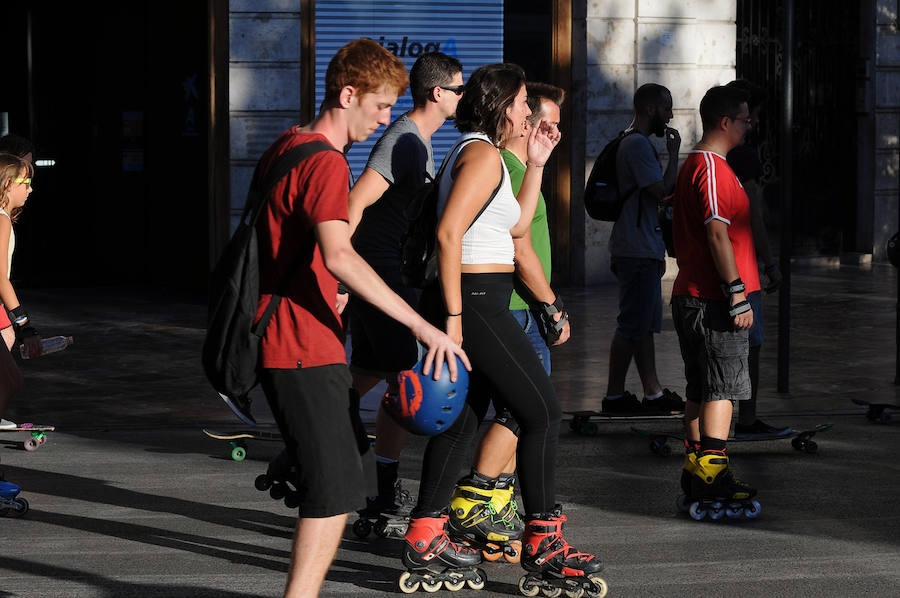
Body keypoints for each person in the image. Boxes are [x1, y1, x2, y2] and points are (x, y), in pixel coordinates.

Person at [252, 38, 470, 598]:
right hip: (300, 339)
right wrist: (426, 326)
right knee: (333, 492)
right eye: (379, 106)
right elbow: (339, 252)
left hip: (298, 332)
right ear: (348, 95)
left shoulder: (288, 144)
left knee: (342, 478)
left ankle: (305, 456)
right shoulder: (324, 161)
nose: (385, 120)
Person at [400, 64, 604, 596]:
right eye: (518, 103)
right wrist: (453, 319)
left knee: (463, 421)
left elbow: (515, 226)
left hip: (481, 298)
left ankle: (426, 532)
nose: (525, 112)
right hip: (475, 302)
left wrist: (536, 163)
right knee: (543, 412)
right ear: (499, 107)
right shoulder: (483, 155)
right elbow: (448, 234)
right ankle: (543, 541)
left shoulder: (482, 153)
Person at [446, 82, 569, 558]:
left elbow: (517, 227)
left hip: (502, 306)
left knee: (499, 413)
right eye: (545, 120)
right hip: (509, 308)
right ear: (517, 115)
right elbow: (509, 244)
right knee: (529, 411)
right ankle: (484, 502)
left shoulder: (515, 164)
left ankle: (480, 505)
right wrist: (550, 305)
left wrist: (538, 162)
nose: (554, 130)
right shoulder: (493, 160)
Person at [344, 51, 464, 519]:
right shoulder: (403, 140)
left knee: (370, 376)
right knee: (406, 381)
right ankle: (380, 495)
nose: (462, 96)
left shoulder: (421, 141)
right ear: (438, 93)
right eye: (458, 89)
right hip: (381, 278)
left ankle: (316, 449)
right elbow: (355, 205)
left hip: (385, 273)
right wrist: (341, 277)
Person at [670, 85, 759, 516]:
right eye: (745, 119)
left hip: (698, 294)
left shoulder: (705, 165)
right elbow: (716, 231)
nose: (749, 126)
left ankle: (698, 466)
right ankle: (712, 473)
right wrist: (737, 294)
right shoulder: (708, 167)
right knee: (722, 387)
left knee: (700, 386)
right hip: (710, 298)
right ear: (725, 122)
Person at [603, 83, 684, 414]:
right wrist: (676, 153)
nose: (671, 115)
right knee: (633, 324)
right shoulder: (636, 145)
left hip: (641, 246)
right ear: (651, 109)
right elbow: (661, 191)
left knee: (640, 325)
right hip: (635, 248)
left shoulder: (634, 142)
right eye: (667, 109)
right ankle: (624, 395)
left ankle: (643, 393)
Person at [724, 79, 790, 439]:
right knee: (752, 344)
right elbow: (755, 215)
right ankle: (747, 419)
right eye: (750, 118)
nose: (753, 125)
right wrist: (771, 262)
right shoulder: (744, 156)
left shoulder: (712, 157)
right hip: (744, 266)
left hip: (721, 265)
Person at [0, 151, 40, 431]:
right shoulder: (0, 219)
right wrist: (25, 324)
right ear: (7, 185)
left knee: (8, 379)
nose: (29, 189)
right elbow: (0, 277)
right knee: (9, 379)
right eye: (25, 182)